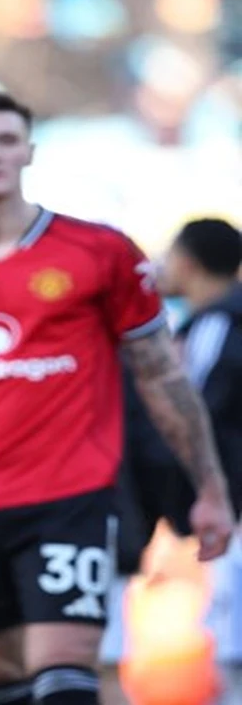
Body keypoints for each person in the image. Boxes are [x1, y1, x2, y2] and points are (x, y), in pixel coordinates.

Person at [0, 91, 234, 705]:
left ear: (29, 150)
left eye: (4, 140)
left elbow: (161, 376)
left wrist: (210, 489)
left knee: (64, 672)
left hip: (68, 496)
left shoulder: (99, 251)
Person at [156, 217, 242, 702]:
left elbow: (197, 409)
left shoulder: (219, 323)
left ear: (188, 263)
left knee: (233, 637)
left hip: (233, 499)